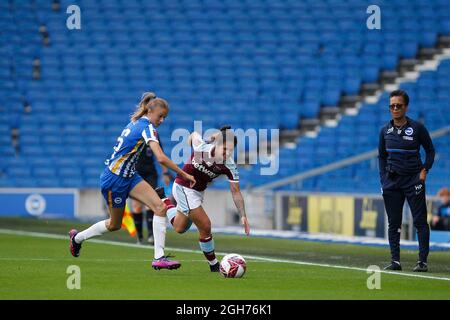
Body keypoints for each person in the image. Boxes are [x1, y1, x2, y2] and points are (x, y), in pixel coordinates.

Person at [68, 92, 196, 270]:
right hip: (114, 180)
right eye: (160, 116)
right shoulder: (147, 127)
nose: (162, 120)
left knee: (159, 208)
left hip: (130, 176)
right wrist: (184, 174)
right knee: (114, 224)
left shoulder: (137, 121)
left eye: (165, 117)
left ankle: (159, 257)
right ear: (150, 112)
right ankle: (77, 238)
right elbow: (160, 157)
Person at [160, 126, 250, 272]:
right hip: (183, 187)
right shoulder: (202, 147)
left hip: (198, 193)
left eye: (231, 150)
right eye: (225, 149)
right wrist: (197, 139)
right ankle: (214, 265)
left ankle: (164, 201)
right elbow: (193, 134)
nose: (227, 153)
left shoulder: (229, 165)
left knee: (179, 228)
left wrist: (243, 215)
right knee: (205, 225)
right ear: (217, 145)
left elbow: (236, 192)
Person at [378, 90, 435, 272]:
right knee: (394, 223)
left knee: (420, 221)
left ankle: (422, 262)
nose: (395, 108)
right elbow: (381, 156)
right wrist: (383, 179)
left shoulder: (417, 128)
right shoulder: (384, 131)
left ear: (406, 107)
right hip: (392, 183)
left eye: (398, 105)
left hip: (413, 181)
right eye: (392, 106)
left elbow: (430, 151)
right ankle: (395, 261)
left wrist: (424, 170)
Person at [131, 140, 172, 245]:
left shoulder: (153, 136)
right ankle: (139, 236)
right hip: (135, 173)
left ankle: (150, 235)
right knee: (137, 206)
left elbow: (160, 155)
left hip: (150, 173)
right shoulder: (133, 135)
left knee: (150, 204)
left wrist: (165, 172)